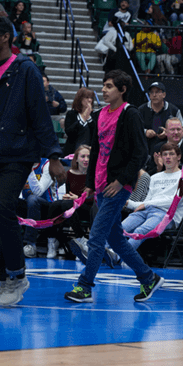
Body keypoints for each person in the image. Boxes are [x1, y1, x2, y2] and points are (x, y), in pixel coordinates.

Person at [0, 15, 66, 307]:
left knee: (3, 207)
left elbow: (40, 115)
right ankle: (4, 282)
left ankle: (18, 276)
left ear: (6, 37)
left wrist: (54, 156)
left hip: (18, 153)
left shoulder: (25, 69)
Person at [64, 70, 163, 303]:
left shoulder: (131, 114)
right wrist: (89, 184)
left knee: (96, 238)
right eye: (104, 85)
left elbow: (140, 154)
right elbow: (96, 150)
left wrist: (121, 181)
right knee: (117, 240)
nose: (104, 90)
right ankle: (148, 278)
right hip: (100, 186)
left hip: (118, 187)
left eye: (109, 86)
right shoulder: (99, 115)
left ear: (122, 89)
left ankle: (85, 286)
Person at [122, 142, 183, 250]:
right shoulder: (155, 177)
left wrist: (146, 204)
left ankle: (118, 256)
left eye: (171, 154)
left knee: (141, 230)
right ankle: (101, 253)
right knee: (120, 228)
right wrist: (126, 203)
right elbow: (146, 202)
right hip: (146, 210)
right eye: (165, 154)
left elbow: (174, 201)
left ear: (179, 157)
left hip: (167, 214)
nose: (168, 157)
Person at [64, 87, 96, 154]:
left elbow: (95, 133)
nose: (90, 100)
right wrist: (83, 117)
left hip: (89, 152)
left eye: (91, 98)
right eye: (87, 97)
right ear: (80, 99)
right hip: (72, 151)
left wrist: (89, 117)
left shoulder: (94, 115)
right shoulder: (71, 114)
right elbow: (70, 133)